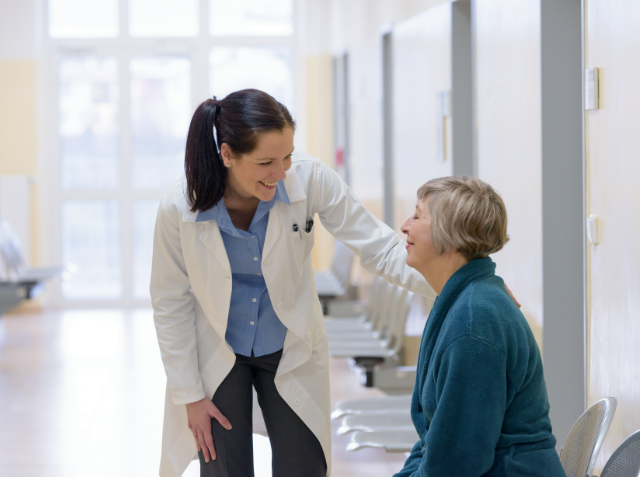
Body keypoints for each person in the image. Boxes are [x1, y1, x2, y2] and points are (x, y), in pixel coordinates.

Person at [150, 89, 434, 477]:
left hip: (289, 347)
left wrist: (460, 282)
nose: (281, 172)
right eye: (266, 161)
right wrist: (189, 395)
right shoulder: (178, 209)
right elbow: (170, 303)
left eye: (287, 156)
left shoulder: (309, 178)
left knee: (304, 467)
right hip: (217, 354)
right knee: (223, 470)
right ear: (228, 155)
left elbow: (379, 247)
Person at [395, 176, 565, 477]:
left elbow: (454, 465)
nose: (405, 225)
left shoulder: (474, 324)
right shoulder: (466, 302)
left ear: (449, 236)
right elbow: (433, 444)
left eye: (418, 216)